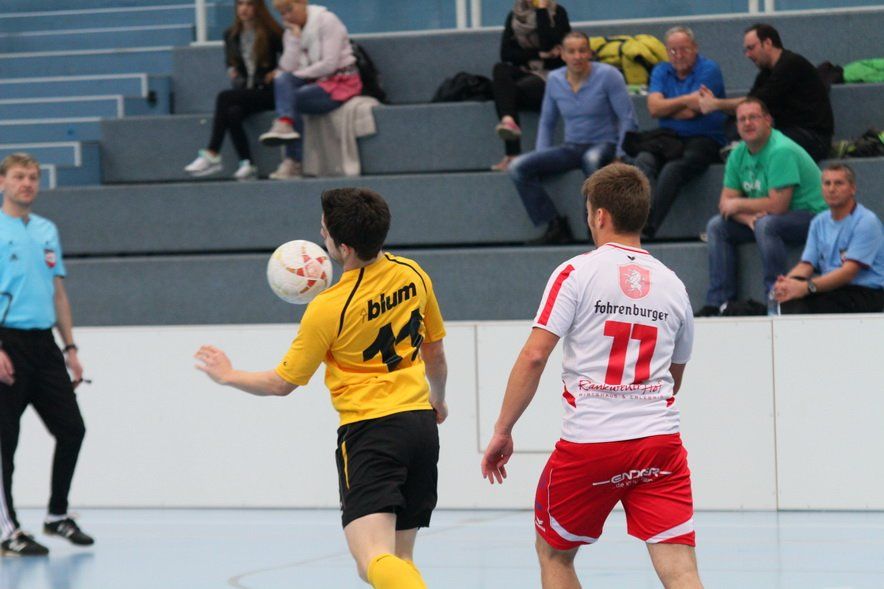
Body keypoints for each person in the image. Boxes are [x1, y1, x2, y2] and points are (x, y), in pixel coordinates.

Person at [194, 187, 448, 589]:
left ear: (343, 248)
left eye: (324, 230)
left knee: (372, 559)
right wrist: (438, 399)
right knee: (398, 560)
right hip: (420, 426)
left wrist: (228, 375)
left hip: (372, 432)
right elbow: (434, 351)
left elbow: (281, 383)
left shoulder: (329, 308)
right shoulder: (413, 274)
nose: (321, 234)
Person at [481, 163, 702, 589]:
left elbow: (534, 356)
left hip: (592, 443)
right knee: (680, 567)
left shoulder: (576, 273)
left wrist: (503, 429)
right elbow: (674, 375)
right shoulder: (674, 285)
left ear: (599, 215)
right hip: (659, 444)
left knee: (554, 554)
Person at [0, 154, 93, 557]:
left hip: (44, 344)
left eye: (33, 177)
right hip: (7, 342)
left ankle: (57, 515)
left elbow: (58, 293)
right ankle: (8, 531)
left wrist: (70, 347)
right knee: (5, 442)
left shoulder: (45, 230)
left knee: (72, 428)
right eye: (19, 177)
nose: (27, 183)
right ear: (2, 182)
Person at [695, 98, 827, 317]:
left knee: (766, 225)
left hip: (814, 216)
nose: (747, 123)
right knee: (717, 226)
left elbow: (778, 205)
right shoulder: (738, 154)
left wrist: (739, 204)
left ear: (768, 121)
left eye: (753, 117)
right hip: (770, 218)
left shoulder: (781, 150)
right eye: (742, 119)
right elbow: (724, 204)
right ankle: (719, 302)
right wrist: (748, 219)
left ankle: (775, 300)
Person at [509, 32, 638, 245]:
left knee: (591, 160)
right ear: (562, 54)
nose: (577, 56)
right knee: (518, 167)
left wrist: (620, 155)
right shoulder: (555, 79)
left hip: (604, 143)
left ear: (590, 53)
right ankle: (554, 224)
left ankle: (595, 231)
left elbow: (628, 118)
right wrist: (542, 156)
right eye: (571, 51)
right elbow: (547, 121)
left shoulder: (609, 75)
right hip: (572, 147)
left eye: (582, 51)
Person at [632, 26, 727, 239]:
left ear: (695, 48)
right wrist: (685, 100)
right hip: (670, 137)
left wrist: (668, 106)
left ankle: (647, 227)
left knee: (673, 168)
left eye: (684, 49)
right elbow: (654, 108)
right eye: (672, 50)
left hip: (706, 138)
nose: (678, 55)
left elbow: (695, 109)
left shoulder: (709, 69)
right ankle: (634, 219)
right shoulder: (661, 70)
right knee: (642, 161)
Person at [698, 23, 833, 162]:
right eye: (746, 50)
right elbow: (747, 106)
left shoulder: (791, 64)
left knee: (761, 139)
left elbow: (755, 103)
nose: (748, 55)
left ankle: (741, 150)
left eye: (751, 48)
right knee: (738, 120)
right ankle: (738, 149)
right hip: (785, 133)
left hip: (813, 138)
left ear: (768, 43)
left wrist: (715, 104)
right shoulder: (765, 74)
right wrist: (714, 104)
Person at [258, 0, 362, 180]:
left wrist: (296, 75)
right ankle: (285, 124)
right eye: (282, 13)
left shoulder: (327, 21)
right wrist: (294, 39)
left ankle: (293, 159)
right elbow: (286, 67)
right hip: (313, 82)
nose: (287, 16)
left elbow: (329, 65)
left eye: (289, 9)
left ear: (302, 2)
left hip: (340, 83)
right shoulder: (291, 31)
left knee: (290, 97)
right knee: (283, 81)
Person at [184, 0, 284, 181]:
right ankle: (247, 163)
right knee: (232, 112)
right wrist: (232, 69)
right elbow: (231, 61)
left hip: (268, 91)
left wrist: (279, 71)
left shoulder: (272, 32)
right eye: (240, 4)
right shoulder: (231, 35)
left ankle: (212, 152)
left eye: (249, 4)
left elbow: (291, 57)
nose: (244, 9)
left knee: (224, 97)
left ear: (258, 8)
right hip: (246, 90)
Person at [773, 163, 884, 313]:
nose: (832, 189)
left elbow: (848, 273)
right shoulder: (818, 222)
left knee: (813, 304)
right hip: (833, 290)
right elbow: (806, 265)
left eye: (838, 183)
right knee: (790, 299)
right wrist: (787, 283)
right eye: (827, 183)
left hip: (866, 292)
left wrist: (806, 287)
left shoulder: (866, 221)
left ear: (852, 189)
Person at [490, 0, 571, 172]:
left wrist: (541, 10)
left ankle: (512, 154)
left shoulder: (557, 13)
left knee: (507, 93)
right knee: (500, 69)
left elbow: (551, 45)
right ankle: (508, 121)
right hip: (526, 73)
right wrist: (540, 54)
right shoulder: (515, 15)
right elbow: (506, 54)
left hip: (551, 77)